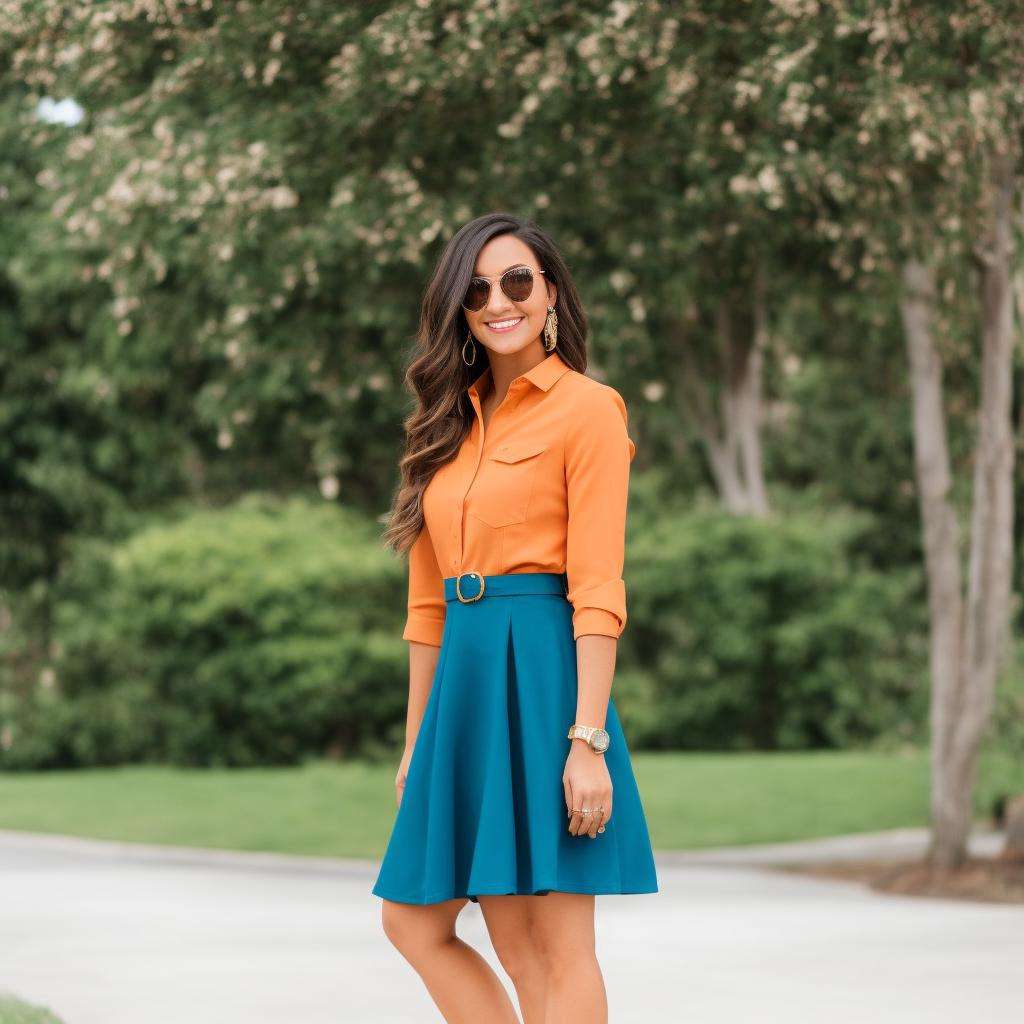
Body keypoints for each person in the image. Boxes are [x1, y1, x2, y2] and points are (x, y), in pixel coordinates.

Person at [372, 212, 658, 1023]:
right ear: (459, 310)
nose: (498, 301)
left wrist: (587, 739)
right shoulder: (443, 427)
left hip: (540, 679)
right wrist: (415, 740)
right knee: (414, 922)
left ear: (551, 293)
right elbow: (426, 608)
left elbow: (599, 586)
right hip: (463, 688)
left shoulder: (590, 409)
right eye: (476, 289)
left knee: (552, 946)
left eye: (517, 281)